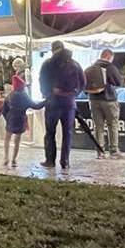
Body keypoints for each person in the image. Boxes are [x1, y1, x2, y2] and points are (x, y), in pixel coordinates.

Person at [38, 40, 86, 169]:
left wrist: (48, 93)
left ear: (53, 50)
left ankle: (50, 160)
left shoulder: (48, 64)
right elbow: (82, 82)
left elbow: (42, 81)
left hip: (53, 102)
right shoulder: (75, 64)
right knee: (67, 133)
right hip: (70, 103)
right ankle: (65, 161)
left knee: (50, 132)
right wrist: (73, 94)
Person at [85, 49, 125, 159]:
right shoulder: (110, 67)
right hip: (109, 100)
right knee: (112, 125)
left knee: (98, 127)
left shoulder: (90, 68)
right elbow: (119, 82)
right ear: (108, 56)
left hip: (93, 100)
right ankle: (114, 150)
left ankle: (100, 152)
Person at [1, 74, 42, 168]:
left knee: (7, 139)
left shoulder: (9, 96)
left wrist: (7, 118)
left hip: (11, 119)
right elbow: (36, 106)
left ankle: (6, 157)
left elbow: (3, 110)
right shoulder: (24, 96)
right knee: (17, 140)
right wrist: (46, 101)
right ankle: (14, 160)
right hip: (20, 119)